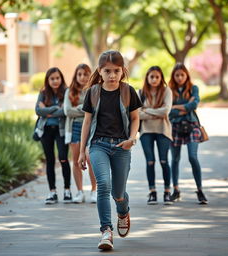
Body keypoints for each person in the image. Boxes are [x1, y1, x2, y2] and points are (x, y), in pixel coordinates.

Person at [78, 50, 142, 250]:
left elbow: (135, 118)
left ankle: (123, 211)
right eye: (107, 71)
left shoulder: (128, 91)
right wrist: (82, 151)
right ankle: (106, 230)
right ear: (100, 71)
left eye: (116, 71)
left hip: (122, 146)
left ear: (123, 70)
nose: (112, 75)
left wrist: (132, 139)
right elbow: (87, 123)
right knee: (103, 185)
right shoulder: (93, 92)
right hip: (99, 145)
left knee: (118, 193)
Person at [168, 63, 208, 204]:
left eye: (182, 75)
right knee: (175, 159)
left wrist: (176, 107)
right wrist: (185, 107)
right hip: (175, 127)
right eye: (177, 75)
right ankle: (176, 190)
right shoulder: (169, 90)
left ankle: (200, 190)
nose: (180, 77)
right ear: (173, 76)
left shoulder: (193, 88)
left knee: (193, 157)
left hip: (192, 126)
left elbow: (194, 105)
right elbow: (168, 110)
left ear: (187, 75)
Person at [35, 67, 72, 204]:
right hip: (46, 130)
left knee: (63, 158)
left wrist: (48, 110)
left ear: (61, 78)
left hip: (61, 130)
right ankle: (52, 192)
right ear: (48, 80)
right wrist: (54, 109)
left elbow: (65, 111)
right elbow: (38, 110)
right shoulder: (43, 92)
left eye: (57, 78)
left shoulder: (66, 92)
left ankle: (67, 191)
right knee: (49, 160)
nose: (55, 81)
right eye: (52, 78)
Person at [139, 66, 173, 205]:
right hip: (146, 131)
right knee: (150, 161)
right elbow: (137, 113)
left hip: (163, 130)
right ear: (147, 77)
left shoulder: (166, 91)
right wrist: (154, 113)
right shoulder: (141, 93)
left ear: (161, 78)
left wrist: (147, 111)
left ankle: (167, 192)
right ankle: (152, 192)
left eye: (157, 77)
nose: (154, 79)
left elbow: (166, 111)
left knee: (164, 161)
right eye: (151, 76)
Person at [64, 64, 97, 203]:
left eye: (85, 74)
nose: (82, 77)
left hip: (91, 128)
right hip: (74, 128)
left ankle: (94, 191)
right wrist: (84, 109)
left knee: (91, 160)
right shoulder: (69, 92)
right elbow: (68, 111)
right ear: (75, 76)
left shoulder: (94, 90)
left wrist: (78, 108)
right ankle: (79, 192)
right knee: (77, 160)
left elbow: (96, 110)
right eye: (79, 74)